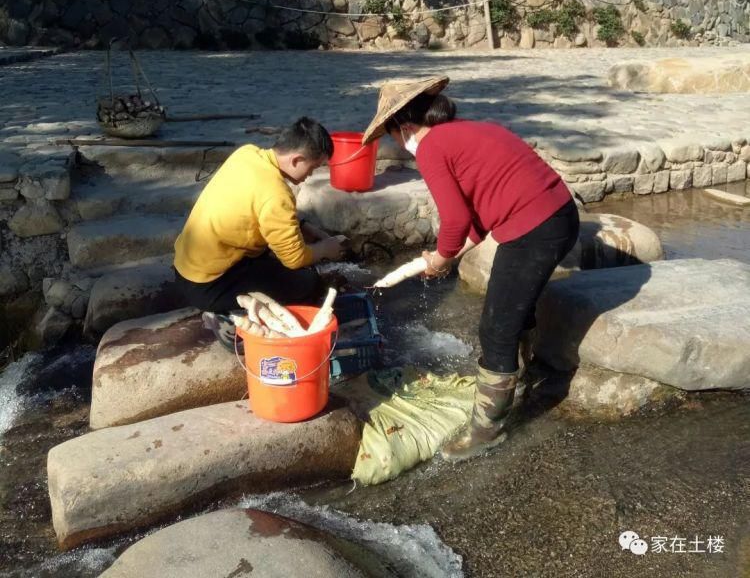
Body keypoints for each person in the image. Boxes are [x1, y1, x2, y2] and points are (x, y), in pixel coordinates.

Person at [362, 76, 579, 461]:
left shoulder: (431, 148)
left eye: (392, 136)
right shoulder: (469, 132)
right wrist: (451, 255)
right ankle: (526, 378)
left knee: (495, 327)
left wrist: (442, 256)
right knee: (516, 308)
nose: (399, 145)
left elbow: (456, 217)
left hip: (535, 228)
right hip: (558, 216)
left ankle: (486, 429)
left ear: (404, 127)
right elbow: (480, 213)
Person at [173, 117, 346, 346]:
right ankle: (229, 316)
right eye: (313, 168)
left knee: (272, 260)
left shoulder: (247, 154)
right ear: (297, 159)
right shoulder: (277, 194)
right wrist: (325, 249)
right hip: (207, 285)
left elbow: (253, 206)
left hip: (185, 267)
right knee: (306, 283)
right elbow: (294, 259)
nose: (310, 175)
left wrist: (303, 226)